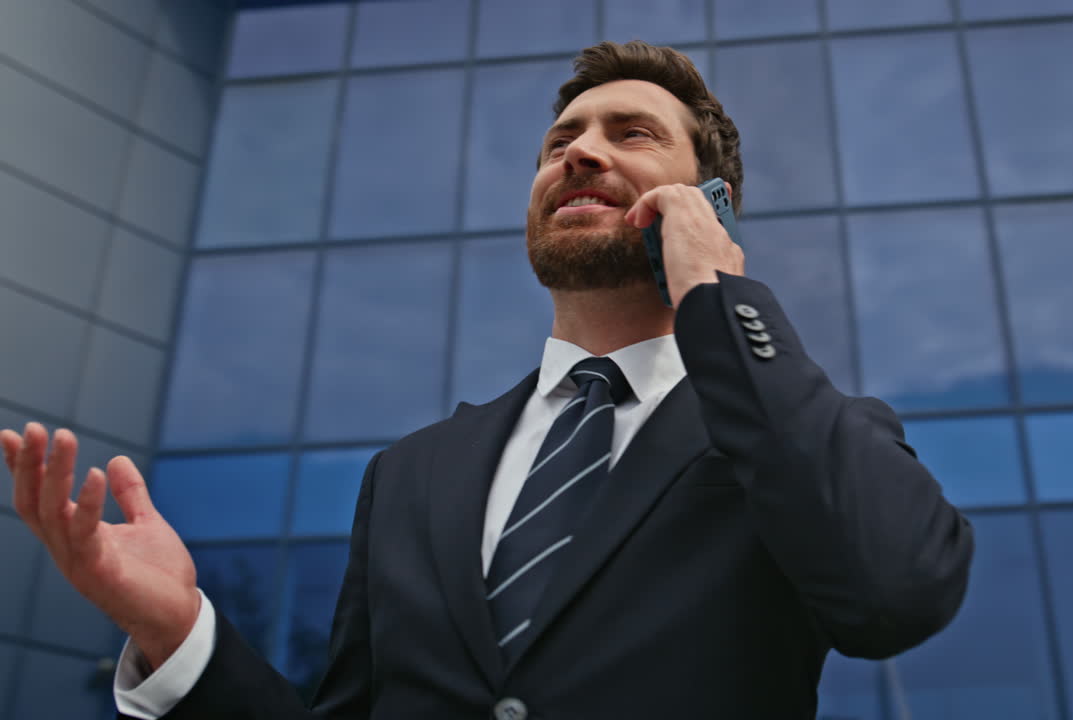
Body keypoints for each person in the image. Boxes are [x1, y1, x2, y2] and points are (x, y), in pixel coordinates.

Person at [0, 41, 974, 720]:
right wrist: (180, 639)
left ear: (711, 200)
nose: (579, 150)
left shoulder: (797, 428)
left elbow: (893, 593)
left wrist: (719, 297)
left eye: (630, 134)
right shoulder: (412, 475)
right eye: (561, 141)